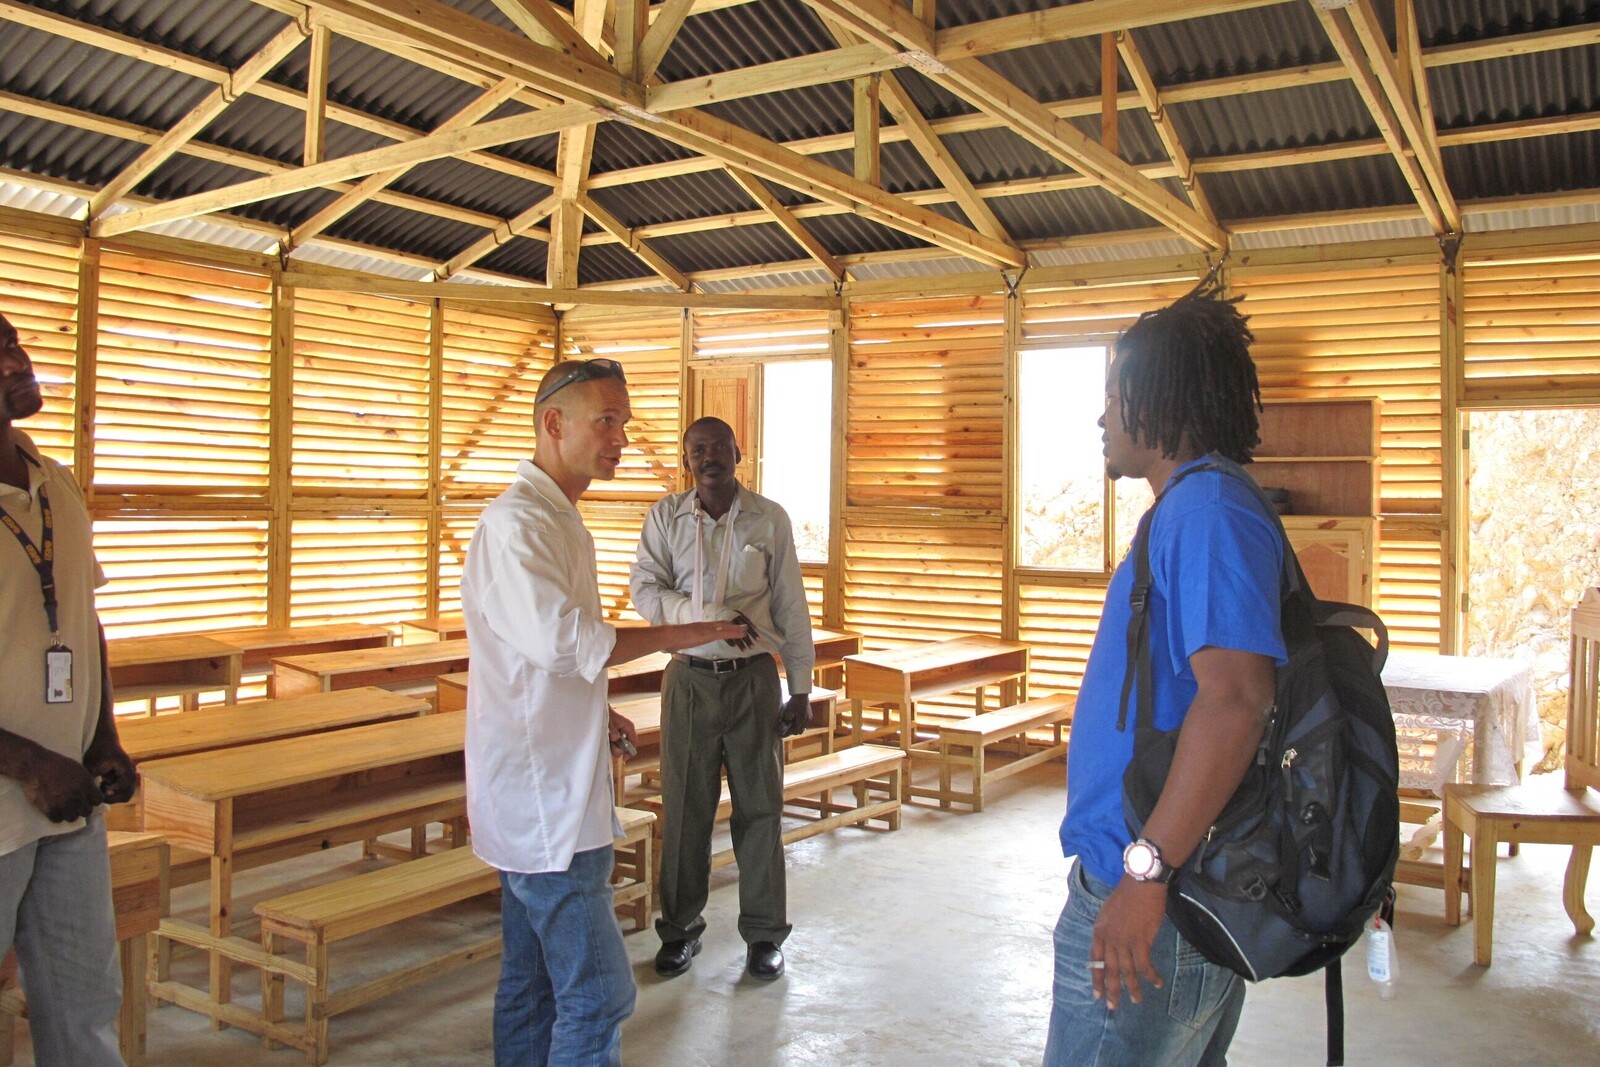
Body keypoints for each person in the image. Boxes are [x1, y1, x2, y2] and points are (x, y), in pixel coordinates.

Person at [462, 359, 751, 1067]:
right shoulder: (518, 524)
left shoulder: (556, 516)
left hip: (551, 780)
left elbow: (547, 659)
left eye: (624, 422)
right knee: (598, 991)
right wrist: (691, 631)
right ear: (553, 424)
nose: (620, 437)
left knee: (532, 985)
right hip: (544, 804)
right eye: (606, 421)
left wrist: (599, 712)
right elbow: (569, 643)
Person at [1044, 277, 1287, 1067]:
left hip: (1160, 895)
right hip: (1159, 883)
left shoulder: (1205, 510)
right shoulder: (1188, 508)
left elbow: (1237, 700)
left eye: (1116, 394)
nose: (1103, 415)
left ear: (1160, 398)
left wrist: (1144, 875)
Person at [630, 416, 814, 982]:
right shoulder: (665, 517)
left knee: (761, 810)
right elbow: (645, 589)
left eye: (718, 448)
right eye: (697, 450)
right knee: (686, 811)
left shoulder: (768, 519)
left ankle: (764, 936)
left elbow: (790, 604)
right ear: (688, 460)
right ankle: (680, 931)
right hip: (688, 679)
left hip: (753, 680)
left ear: (740, 451)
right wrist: (699, 617)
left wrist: (800, 686)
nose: (709, 457)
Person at [0, 312, 137, 1067]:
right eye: (0, 350)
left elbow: (82, 620)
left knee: (85, 1008)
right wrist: (27, 763)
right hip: (12, 800)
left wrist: (102, 735)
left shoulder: (55, 482)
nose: (20, 359)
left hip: (68, 803)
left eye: (16, 342)